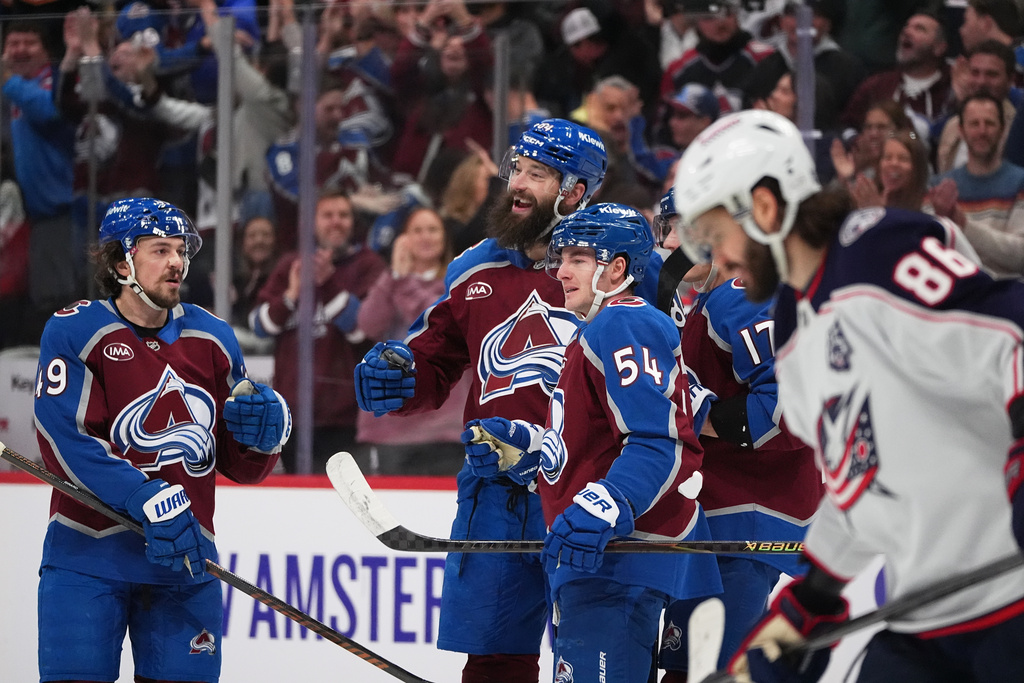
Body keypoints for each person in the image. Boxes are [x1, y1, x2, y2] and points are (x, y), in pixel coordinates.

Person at [674, 108, 1024, 683]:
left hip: (1008, 604)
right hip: (921, 622)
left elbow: (1010, 332)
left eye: (717, 236)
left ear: (763, 206)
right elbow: (857, 481)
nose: (719, 258)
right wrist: (807, 607)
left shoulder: (873, 249)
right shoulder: (791, 331)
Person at [352, 118, 681, 682]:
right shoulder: (475, 266)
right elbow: (435, 360)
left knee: (598, 654)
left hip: (588, 490)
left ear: (576, 192)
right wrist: (398, 378)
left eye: (538, 174)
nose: (519, 186)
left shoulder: (626, 270)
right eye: (517, 171)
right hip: (496, 496)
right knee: (495, 660)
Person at [33, 197, 290, 682]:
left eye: (180, 250)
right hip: (89, 557)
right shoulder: (77, 329)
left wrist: (264, 437)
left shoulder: (213, 337)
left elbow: (240, 465)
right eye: (159, 250)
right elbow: (63, 438)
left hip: (184, 564)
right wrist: (141, 494)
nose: (176, 262)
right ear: (119, 262)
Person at [463, 203, 723, 681]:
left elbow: (658, 440)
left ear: (617, 268)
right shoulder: (594, 330)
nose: (560, 270)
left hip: (621, 561)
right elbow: (591, 447)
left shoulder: (625, 322)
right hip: (599, 561)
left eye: (579, 258)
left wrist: (610, 501)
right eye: (561, 257)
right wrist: (526, 448)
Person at [654, 188, 823, 681]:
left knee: (712, 674)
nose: (672, 243)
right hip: (721, 518)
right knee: (685, 670)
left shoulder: (744, 293)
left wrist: (693, 410)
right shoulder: (710, 300)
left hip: (748, 518)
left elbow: (789, 408)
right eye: (669, 228)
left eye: (684, 228)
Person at [251, 189, 386, 473]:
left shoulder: (369, 266)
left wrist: (328, 282)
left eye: (343, 215)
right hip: (294, 416)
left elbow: (361, 331)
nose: (336, 222)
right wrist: (291, 295)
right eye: (328, 215)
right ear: (312, 222)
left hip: (347, 419)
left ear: (353, 221)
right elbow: (260, 326)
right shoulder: (291, 264)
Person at [355, 207, 469, 475]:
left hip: (445, 429)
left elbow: (434, 325)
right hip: (392, 430)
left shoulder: (459, 284)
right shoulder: (392, 280)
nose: (425, 237)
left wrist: (403, 281)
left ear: (444, 238)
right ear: (403, 239)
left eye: (432, 230)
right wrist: (393, 276)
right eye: (417, 230)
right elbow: (368, 324)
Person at [928, 92, 1024, 279]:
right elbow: (930, 250)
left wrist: (963, 225)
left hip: (1007, 295)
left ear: (1002, 129)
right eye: (974, 124)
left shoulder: (1020, 182)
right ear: (961, 131)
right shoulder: (939, 187)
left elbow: (1020, 255)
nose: (982, 131)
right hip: (953, 295)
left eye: (989, 123)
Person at [849, 130, 931, 211]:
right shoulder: (867, 200)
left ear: (917, 168)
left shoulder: (927, 207)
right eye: (888, 157)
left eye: (903, 159)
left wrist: (878, 211)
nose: (894, 163)